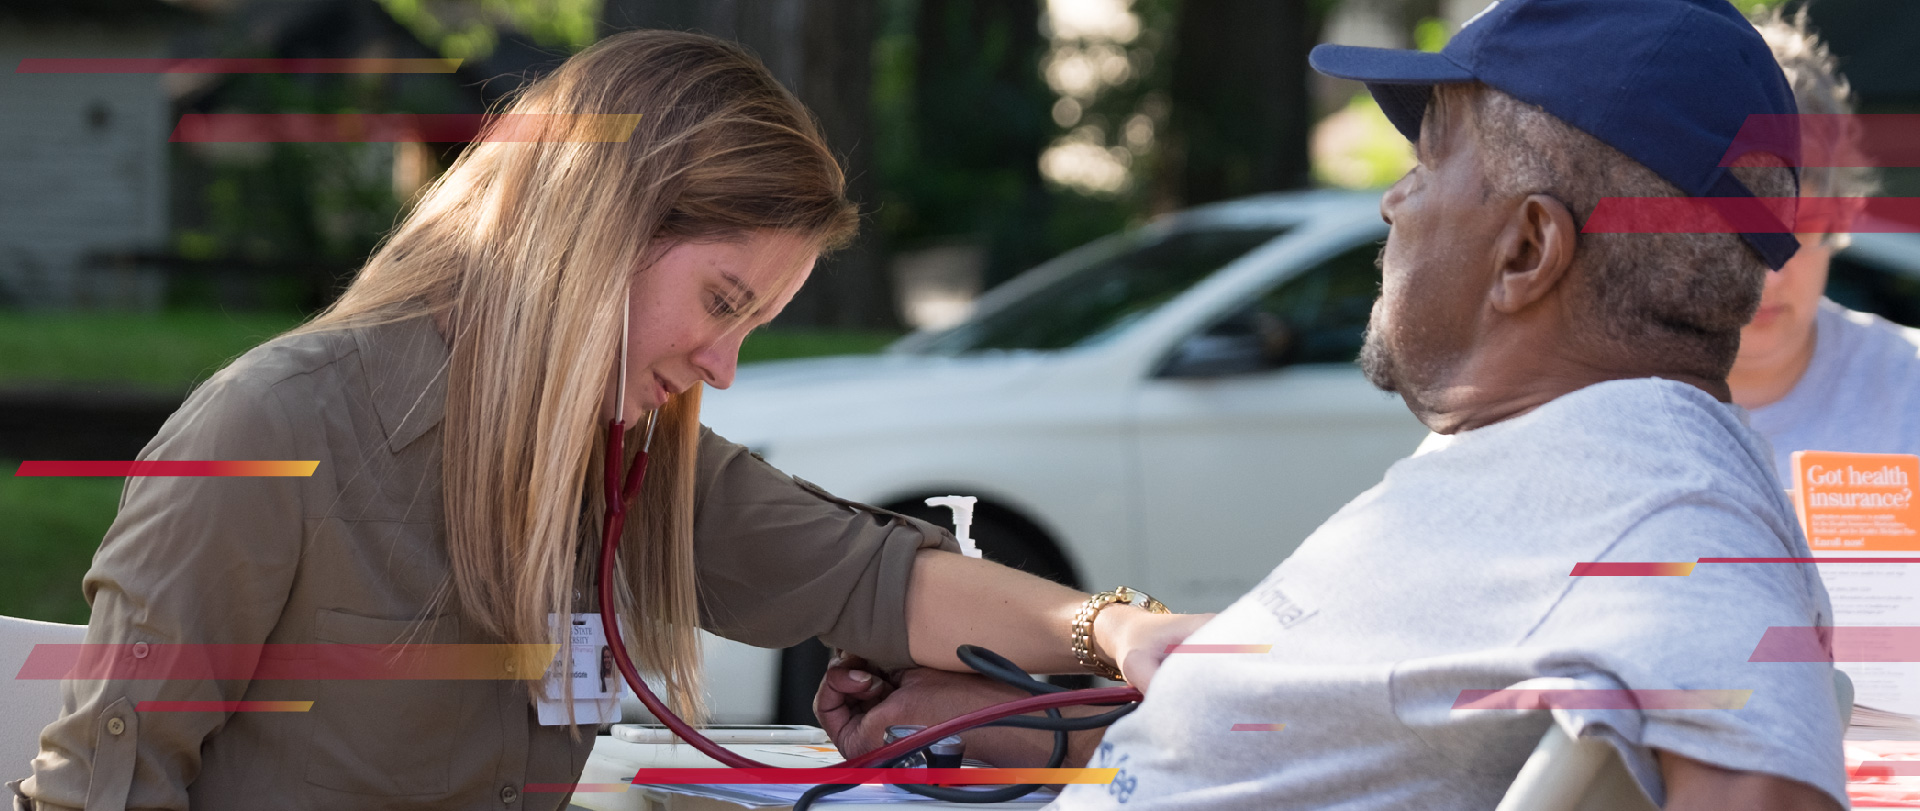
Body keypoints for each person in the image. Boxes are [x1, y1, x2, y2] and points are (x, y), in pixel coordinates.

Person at [9, 31, 1203, 811]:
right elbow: (97, 790)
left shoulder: (616, 461)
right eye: (720, 304)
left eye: (756, 325)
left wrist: (1128, 638)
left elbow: (874, 580)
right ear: (592, 234)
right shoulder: (272, 431)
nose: (722, 368)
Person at [815, 1, 1850, 808]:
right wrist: (1010, 719)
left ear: (1527, 250)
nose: (1392, 203)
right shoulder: (1556, 462)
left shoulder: (1669, 515)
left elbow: (1763, 767)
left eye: (1427, 162)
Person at [1729, 10, 1911, 478]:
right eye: (1743, 234)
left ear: (1841, 216)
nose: (1772, 275)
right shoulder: (1600, 400)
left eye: (1800, 231)